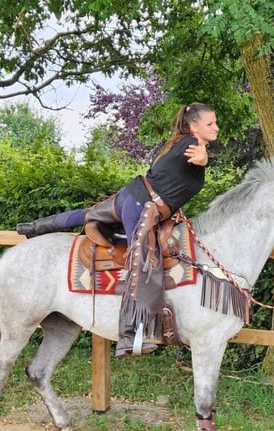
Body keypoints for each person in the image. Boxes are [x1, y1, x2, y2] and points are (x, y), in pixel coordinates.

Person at [16, 103, 219, 357]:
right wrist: (204, 158)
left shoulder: (178, 141)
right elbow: (195, 158)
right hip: (144, 205)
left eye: (215, 123)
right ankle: (129, 334)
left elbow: (171, 178)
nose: (216, 128)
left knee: (89, 215)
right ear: (193, 126)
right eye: (210, 123)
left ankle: (34, 227)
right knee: (143, 261)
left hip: (131, 197)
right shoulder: (190, 144)